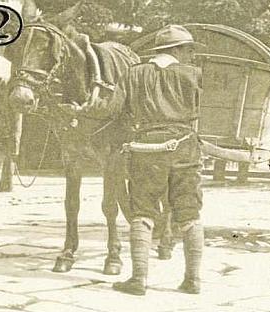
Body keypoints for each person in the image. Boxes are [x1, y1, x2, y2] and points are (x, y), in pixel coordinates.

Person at [72, 25, 206, 295]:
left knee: (142, 213)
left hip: (147, 149)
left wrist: (81, 109)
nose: (190, 54)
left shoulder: (133, 74)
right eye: (187, 49)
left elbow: (111, 110)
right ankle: (193, 280)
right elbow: (196, 112)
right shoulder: (193, 75)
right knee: (190, 214)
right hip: (185, 148)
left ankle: (139, 280)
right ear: (177, 50)